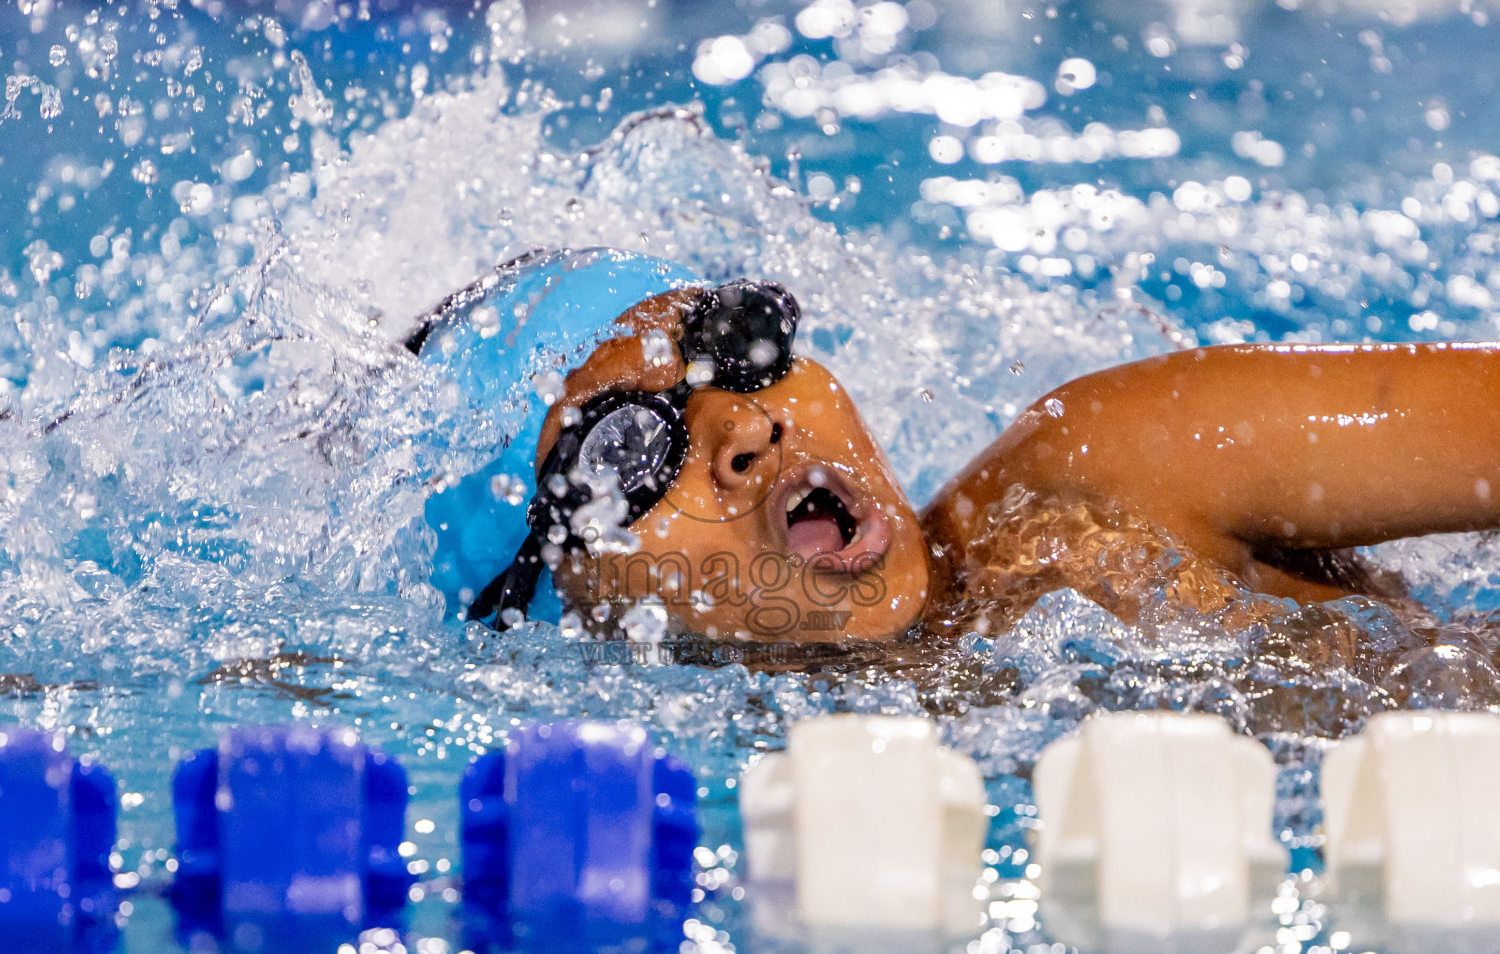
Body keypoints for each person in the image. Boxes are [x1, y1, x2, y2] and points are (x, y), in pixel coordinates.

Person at [412, 248, 1500, 646]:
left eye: (731, 345)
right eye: (627, 454)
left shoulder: (1108, 468)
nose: (739, 426)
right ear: (570, 596)